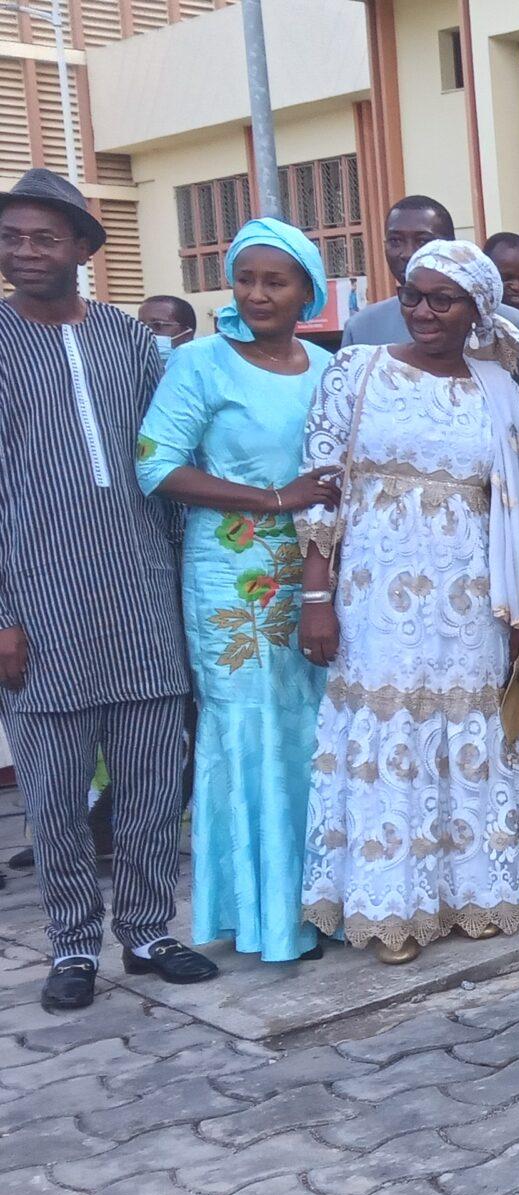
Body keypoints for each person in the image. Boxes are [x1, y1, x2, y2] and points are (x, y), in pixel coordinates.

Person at [297, 240, 519, 965]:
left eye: (444, 299)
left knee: (470, 736)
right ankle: (389, 910)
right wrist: (318, 597)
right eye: (413, 294)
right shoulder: (357, 370)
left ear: (479, 309)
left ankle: (472, 895)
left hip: (472, 596)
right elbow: (322, 490)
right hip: (377, 594)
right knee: (389, 738)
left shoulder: (498, 385)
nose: (424, 311)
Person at [0, 170, 203, 1012]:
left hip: (142, 600)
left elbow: (169, 468)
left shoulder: (131, 343)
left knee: (154, 784)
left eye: (44, 237)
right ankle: (74, 945)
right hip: (37, 608)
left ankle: (150, 930)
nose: (23, 251)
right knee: (52, 796)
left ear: (85, 248)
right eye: (12, 236)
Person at [136, 218, 343, 967]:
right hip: (233, 584)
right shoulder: (201, 365)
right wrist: (272, 500)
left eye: (275, 280)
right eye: (246, 278)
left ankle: (329, 902)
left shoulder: (329, 369)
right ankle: (265, 918)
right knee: (252, 733)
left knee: (319, 734)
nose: (257, 293)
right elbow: (156, 466)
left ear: (307, 292)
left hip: (320, 579)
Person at [340, 195, 519, 354]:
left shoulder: (512, 325)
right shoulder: (361, 329)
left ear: (450, 245)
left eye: (423, 241)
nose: (408, 253)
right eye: (395, 241)